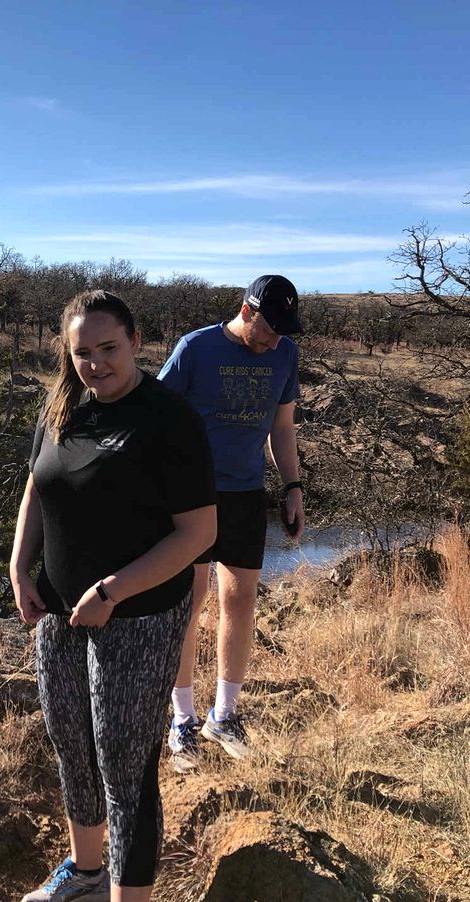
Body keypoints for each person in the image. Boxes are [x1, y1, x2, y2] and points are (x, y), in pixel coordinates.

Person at [10, 290, 216, 902]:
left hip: (141, 615)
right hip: (61, 610)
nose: (96, 365)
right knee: (73, 744)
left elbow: (196, 535)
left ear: (135, 341)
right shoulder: (61, 406)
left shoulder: (167, 418)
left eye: (108, 349)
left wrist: (114, 589)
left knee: (126, 770)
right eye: (82, 353)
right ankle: (87, 873)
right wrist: (19, 568)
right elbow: (37, 488)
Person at [158, 275, 305, 768]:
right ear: (246, 311)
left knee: (240, 601)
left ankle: (225, 715)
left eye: (283, 333)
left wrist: (292, 488)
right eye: (267, 329)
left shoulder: (284, 355)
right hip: (191, 494)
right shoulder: (194, 349)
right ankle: (182, 721)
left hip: (245, 493)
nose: (272, 341)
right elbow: (156, 416)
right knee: (188, 603)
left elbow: (281, 428)